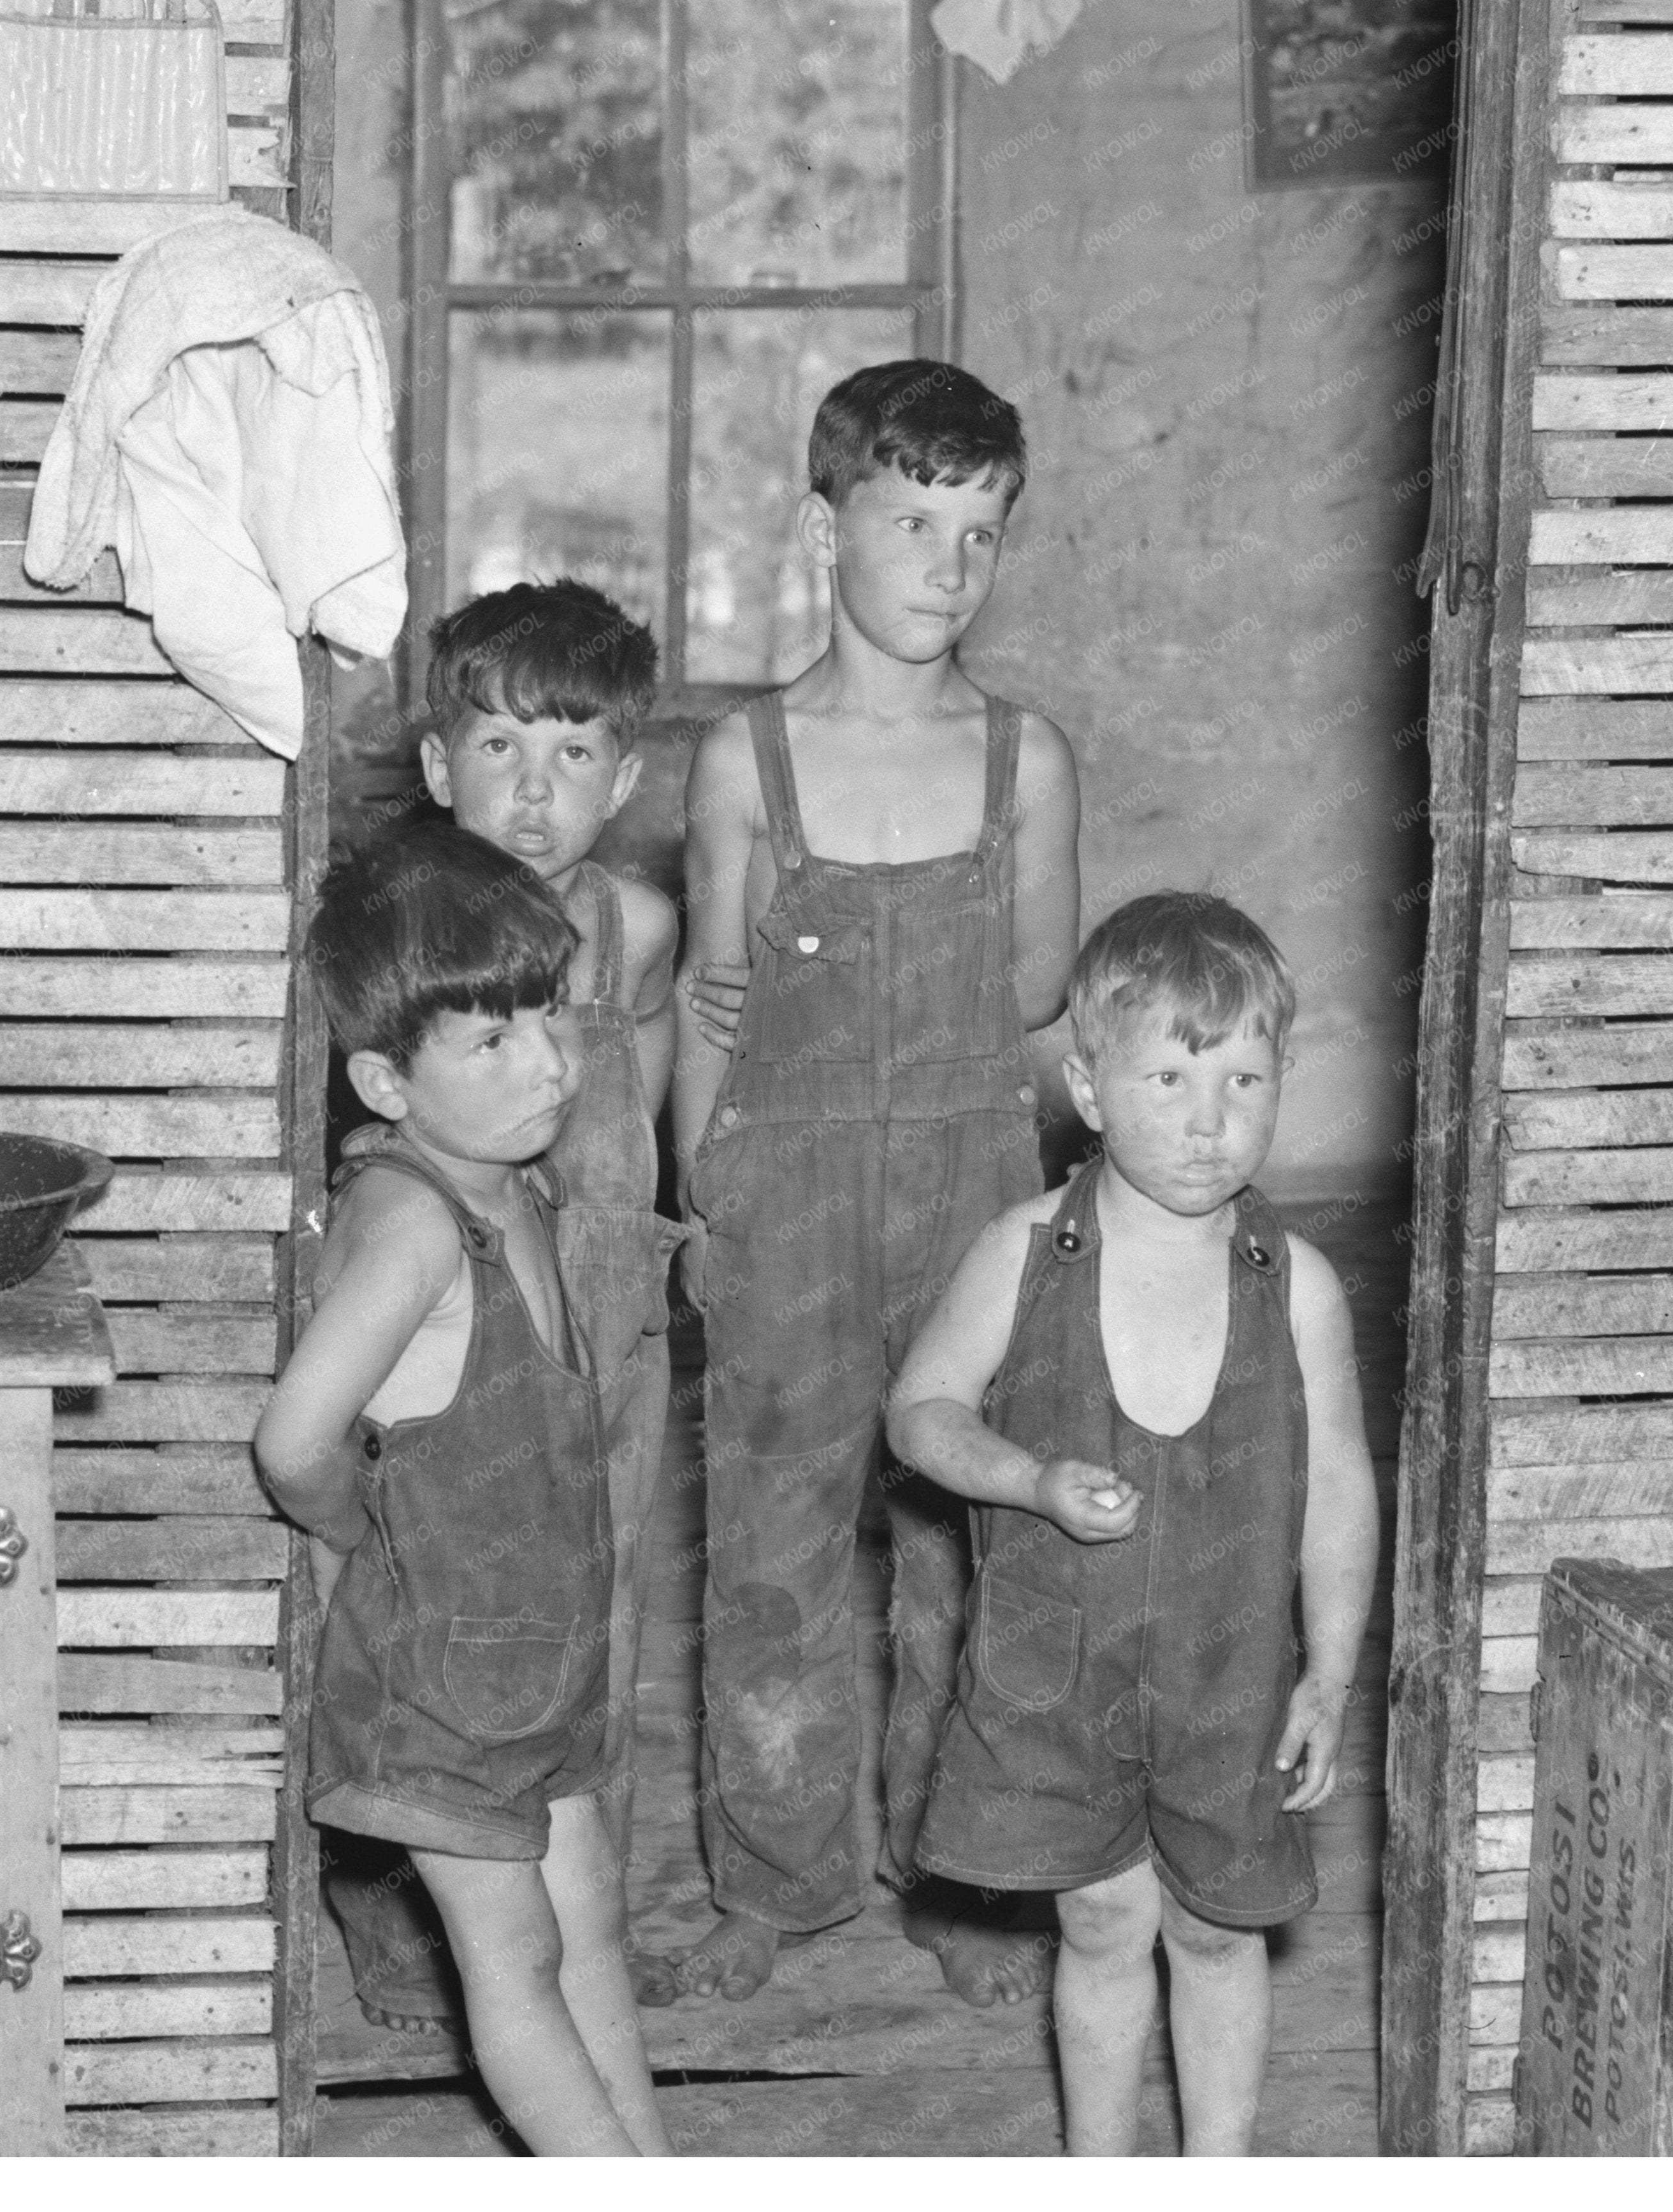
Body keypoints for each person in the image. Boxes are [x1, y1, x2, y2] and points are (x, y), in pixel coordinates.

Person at [663, 359, 1083, 2007]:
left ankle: (959, 1875)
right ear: (819, 524)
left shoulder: (1023, 762)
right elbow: (712, 1004)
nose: (944, 564)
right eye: (910, 520)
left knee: (963, 1541)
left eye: (979, 531)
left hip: (975, 1183)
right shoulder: (739, 762)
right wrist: (701, 1201)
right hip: (782, 1186)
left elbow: (1039, 996)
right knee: (766, 1548)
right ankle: (771, 1877)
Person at [887, 892, 1380, 2155]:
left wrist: (1328, 1667)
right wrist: (1025, 1477)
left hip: (1227, 1678)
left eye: (1243, 1076)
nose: (1210, 1117)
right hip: (1058, 1668)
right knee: (1101, 1922)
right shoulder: (1024, 1250)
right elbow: (918, 1414)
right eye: (1169, 1074)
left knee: (1217, 1928)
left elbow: (1334, 1487)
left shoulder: (1297, 1285)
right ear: (1088, 1089)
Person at [254, 818, 671, 2153]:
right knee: (517, 1960)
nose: (547, 1059)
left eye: (547, 1012)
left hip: (535, 1662)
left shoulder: (512, 1180)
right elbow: (293, 1437)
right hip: (441, 1683)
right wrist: (355, 1537)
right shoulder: (412, 1223)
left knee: (588, 1926)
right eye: (487, 1040)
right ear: (383, 1078)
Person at [323, 582, 687, 2031]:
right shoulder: (398, 926)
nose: (533, 795)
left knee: (595, 1603)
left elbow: (633, 1095)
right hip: (455, 1344)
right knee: (421, 1614)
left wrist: (647, 1245)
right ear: (433, 765)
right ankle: (407, 1933)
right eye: (496, 751)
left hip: (598, 1306)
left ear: (629, 772)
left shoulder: (639, 920)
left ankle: (572, 1908)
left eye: (574, 754)